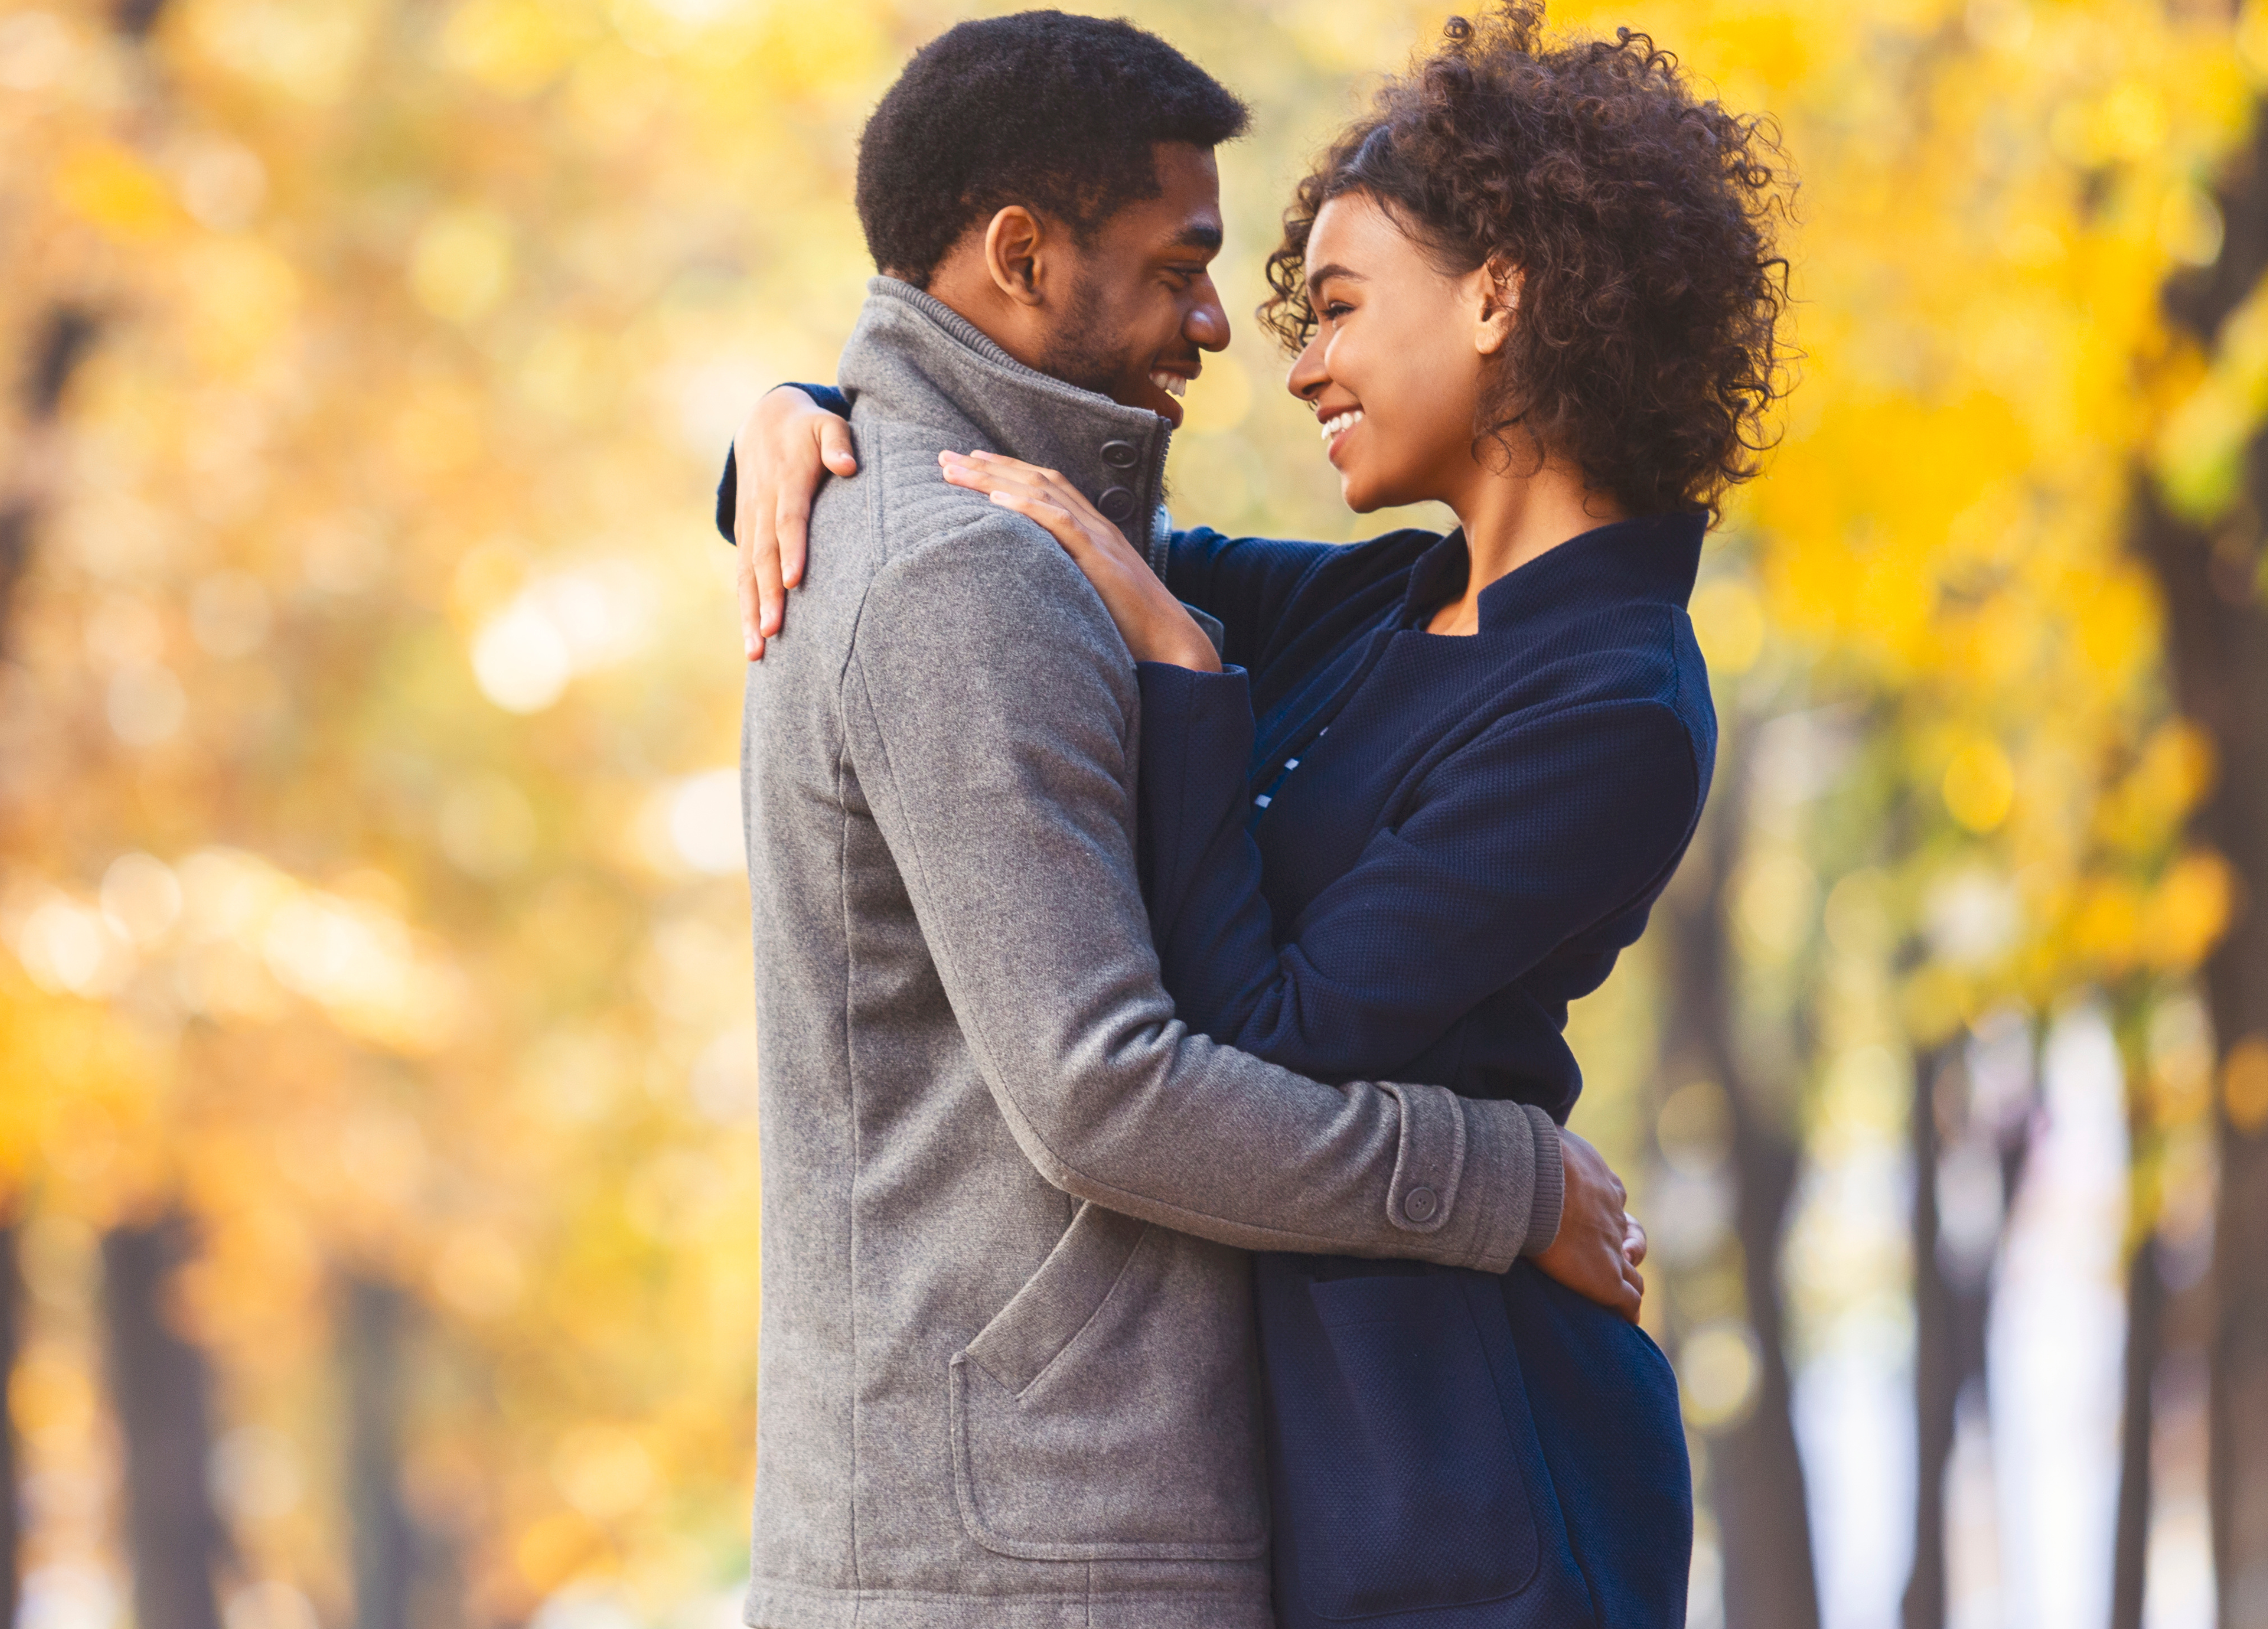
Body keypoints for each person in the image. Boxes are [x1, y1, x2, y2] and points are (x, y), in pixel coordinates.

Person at [725, 7, 1789, 1625]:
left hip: (1450, 1462)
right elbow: (1011, 516)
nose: (1291, 359)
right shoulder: (1393, 606)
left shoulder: (1613, 709)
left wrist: (1181, 671)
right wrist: (796, 423)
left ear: (1499, 295)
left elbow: (1271, 1032)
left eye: (1343, 307)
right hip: (1296, 1423)